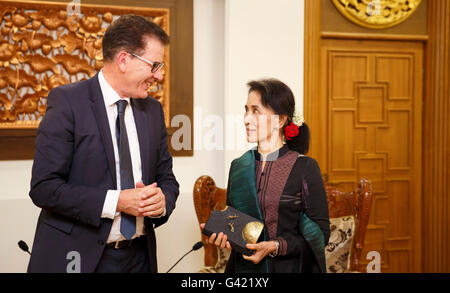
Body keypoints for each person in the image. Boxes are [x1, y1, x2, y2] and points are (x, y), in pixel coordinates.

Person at [27, 15, 179, 273]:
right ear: (123, 59)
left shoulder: (152, 111)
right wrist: (117, 202)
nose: (160, 75)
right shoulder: (68, 102)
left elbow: (167, 179)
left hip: (139, 259)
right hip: (79, 259)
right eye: (154, 65)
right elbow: (44, 188)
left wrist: (162, 201)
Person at [201, 78, 330, 273]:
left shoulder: (305, 167)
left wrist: (275, 246)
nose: (246, 118)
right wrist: (224, 237)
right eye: (246, 109)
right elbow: (237, 226)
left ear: (280, 119)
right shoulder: (238, 166)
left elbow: (321, 234)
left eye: (256, 111)